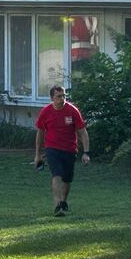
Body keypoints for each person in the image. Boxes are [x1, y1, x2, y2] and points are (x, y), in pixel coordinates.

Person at [34, 85, 90, 216]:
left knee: (67, 178)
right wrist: (37, 154)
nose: (62, 98)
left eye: (64, 95)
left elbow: (82, 132)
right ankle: (58, 204)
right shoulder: (46, 112)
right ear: (52, 98)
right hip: (52, 148)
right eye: (59, 96)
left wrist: (86, 152)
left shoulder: (72, 111)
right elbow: (40, 133)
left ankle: (63, 202)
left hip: (70, 149)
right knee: (57, 174)